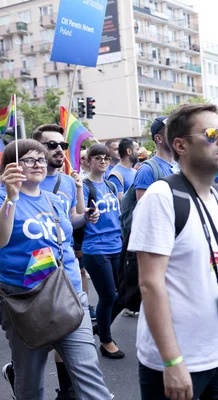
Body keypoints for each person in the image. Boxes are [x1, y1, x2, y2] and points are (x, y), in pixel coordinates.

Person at [129, 103, 218, 399]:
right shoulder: (162, 197)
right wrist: (172, 361)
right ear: (180, 145)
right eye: (211, 134)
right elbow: (150, 283)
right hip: (177, 361)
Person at [0, 140, 111, 400]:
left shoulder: (54, 200)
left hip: (68, 296)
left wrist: (84, 218)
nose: (37, 164)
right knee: (30, 386)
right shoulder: (3, 197)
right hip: (24, 303)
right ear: (10, 166)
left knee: (91, 381)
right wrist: (11, 199)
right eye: (28, 159)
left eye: (40, 158)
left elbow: (66, 241)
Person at [32, 124, 93, 398]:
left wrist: (87, 217)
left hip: (67, 273)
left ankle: (67, 391)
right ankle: (20, 373)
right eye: (52, 145)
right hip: (35, 278)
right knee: (36, 344)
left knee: (72, 334)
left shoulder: (68, 181)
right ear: (37, 150)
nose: (59, 150)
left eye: (63, 145)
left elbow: (71, 221)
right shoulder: (25, 181)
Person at [82, 144, 124, 359]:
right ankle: (106, 340)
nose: (102, 161)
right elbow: (77, 216)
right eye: (97, 157)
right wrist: (86, 215)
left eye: (106, 158)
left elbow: (118, 215)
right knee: (109, 295)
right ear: (88, 161)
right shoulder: (83, 186)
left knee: (121, 295)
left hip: (116, 245)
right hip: (95, 247)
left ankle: (101, 325)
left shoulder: (110, 185)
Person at [133, 116, 178, 201]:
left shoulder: (178, 165)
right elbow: (144, 210)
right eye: (171, 132)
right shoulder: (147, 170)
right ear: (159, 138)